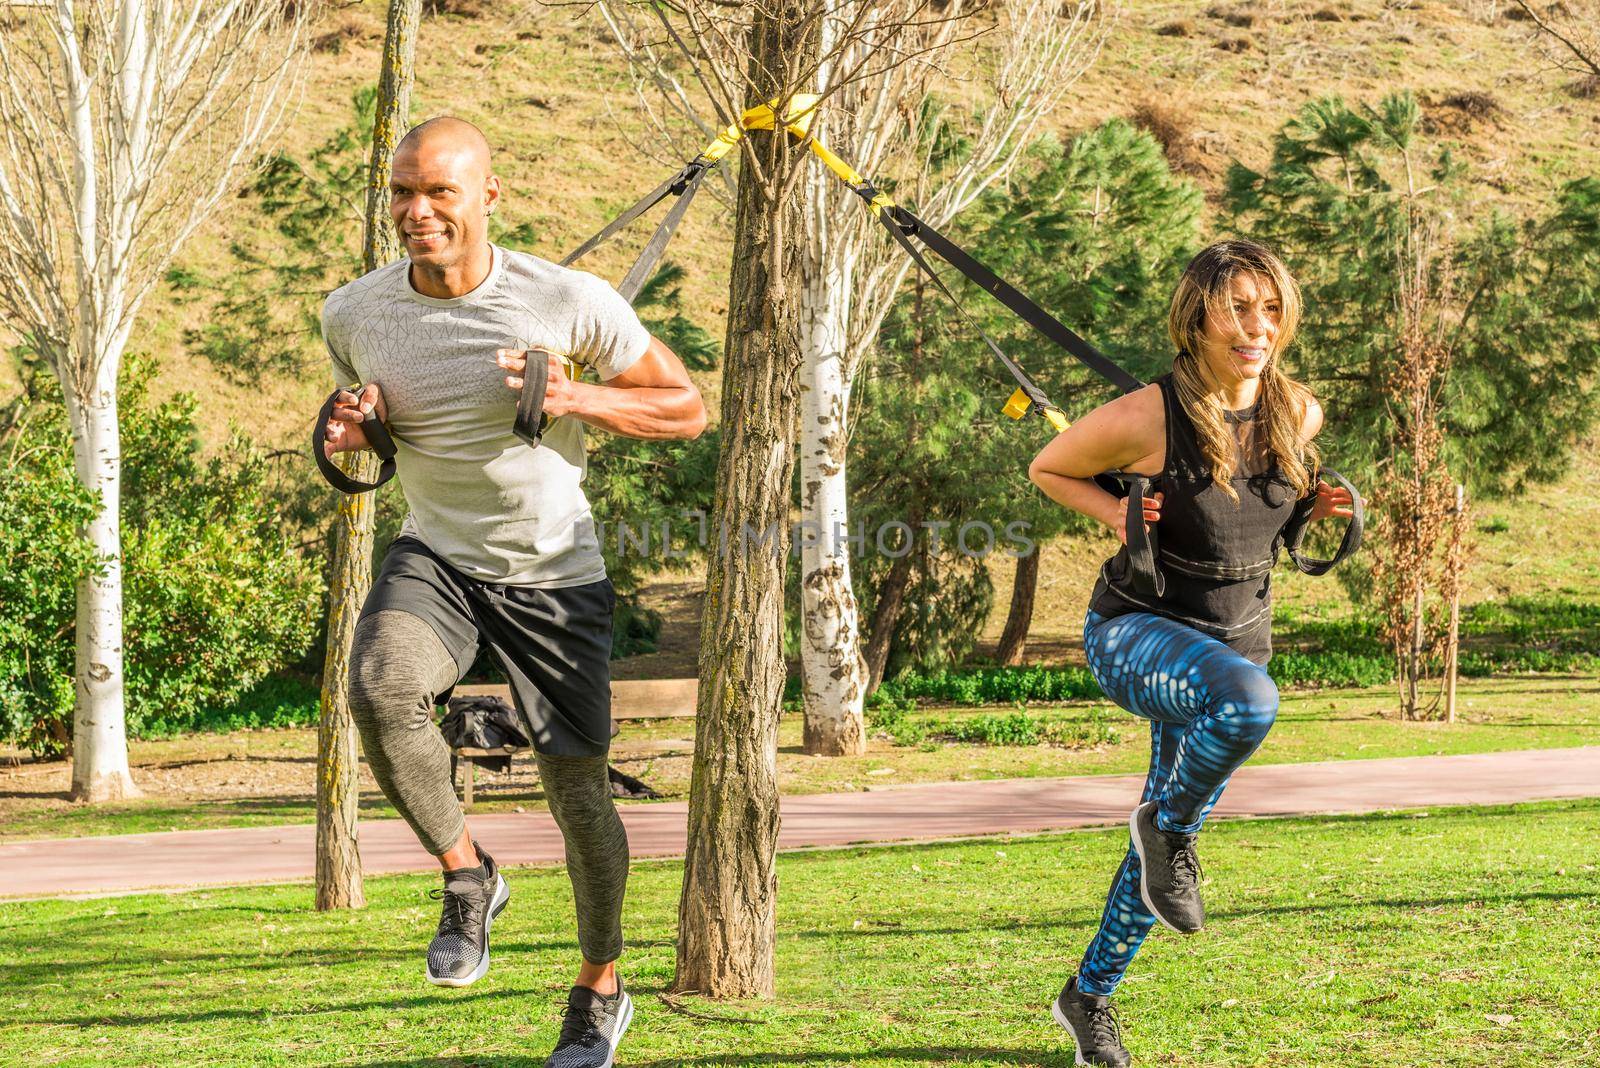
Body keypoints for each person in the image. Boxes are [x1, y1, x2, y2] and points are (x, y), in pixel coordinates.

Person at [319, 115, 706, 1068]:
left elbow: (686, 408)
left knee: (578, 795)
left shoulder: (566, 299)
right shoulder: (354, 313)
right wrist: (352, 435)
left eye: (440, 192)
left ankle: (600, 989)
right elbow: (383, 435)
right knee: (377, 684)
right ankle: (468, 875)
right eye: (404, 191)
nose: (417, 211)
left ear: (488, 196)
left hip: (553, 573)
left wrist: (580, 399)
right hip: (436, 554)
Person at [1026, 239, 1354, 1066]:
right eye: (1239, 307)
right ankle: (1166, 831)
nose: (1258, 326)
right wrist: (1123, 517)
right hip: (1138, 634)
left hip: (1235, 639)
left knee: (1161, 853)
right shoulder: (1148, 415)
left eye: (1271, 308)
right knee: (1246, 711)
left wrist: (1320, 510)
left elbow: (1262, 520)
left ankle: (1087, 997)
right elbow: (1051, 466)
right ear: (1198, 315)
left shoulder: (1297, 412)